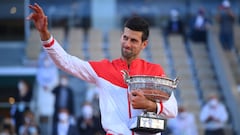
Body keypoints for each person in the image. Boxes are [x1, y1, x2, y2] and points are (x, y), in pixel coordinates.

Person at [27, 3, 178, 135]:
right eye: (125, 38)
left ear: (144, 44)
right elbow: (66, 62)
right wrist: (44, 34)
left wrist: (151, 105)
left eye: (133, 40)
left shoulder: (154, 71)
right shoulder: (103, 69)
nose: (127, 44)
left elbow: (172, 110)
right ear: (121, 37)